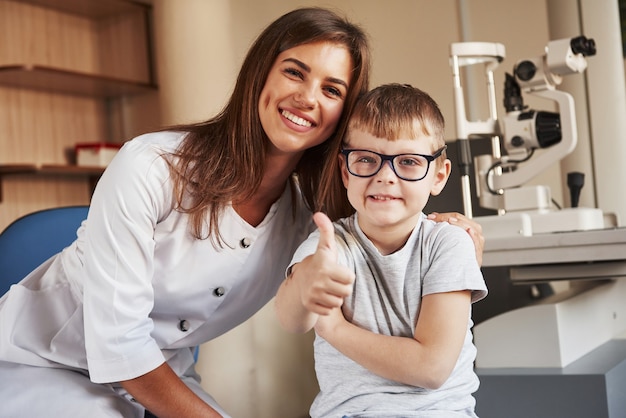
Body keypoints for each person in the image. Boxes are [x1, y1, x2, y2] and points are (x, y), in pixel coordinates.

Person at [0, 8, 483, 418]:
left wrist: (450, 232)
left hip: (162, 376)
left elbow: (382, 229)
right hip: (42, 362)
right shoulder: (150, 166)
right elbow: (119, 345)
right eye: (295, 71)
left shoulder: (307, 218)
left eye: (333, 90)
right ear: (261, 73)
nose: (308, 98)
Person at [275, 83, 488, 418]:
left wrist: (335, 328)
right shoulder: (329, 245)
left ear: (438, 175)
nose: (385, 177)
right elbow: (291, 319)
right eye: (366, 159)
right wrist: (304, 287)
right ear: (346, 171)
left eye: (408, 162)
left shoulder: (449, 243)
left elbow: (431, 367)